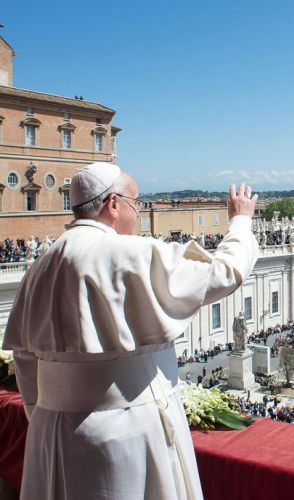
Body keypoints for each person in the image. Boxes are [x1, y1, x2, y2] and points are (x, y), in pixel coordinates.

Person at [3, 162, 259, 500]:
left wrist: (50, 414)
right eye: (135, 203)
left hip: (51, 435)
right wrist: (240, 220)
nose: (137, 213)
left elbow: (25, 360)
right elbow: (224, 272)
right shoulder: (132, 254)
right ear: (112, 204)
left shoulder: (40, 265)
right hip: (127, 433)